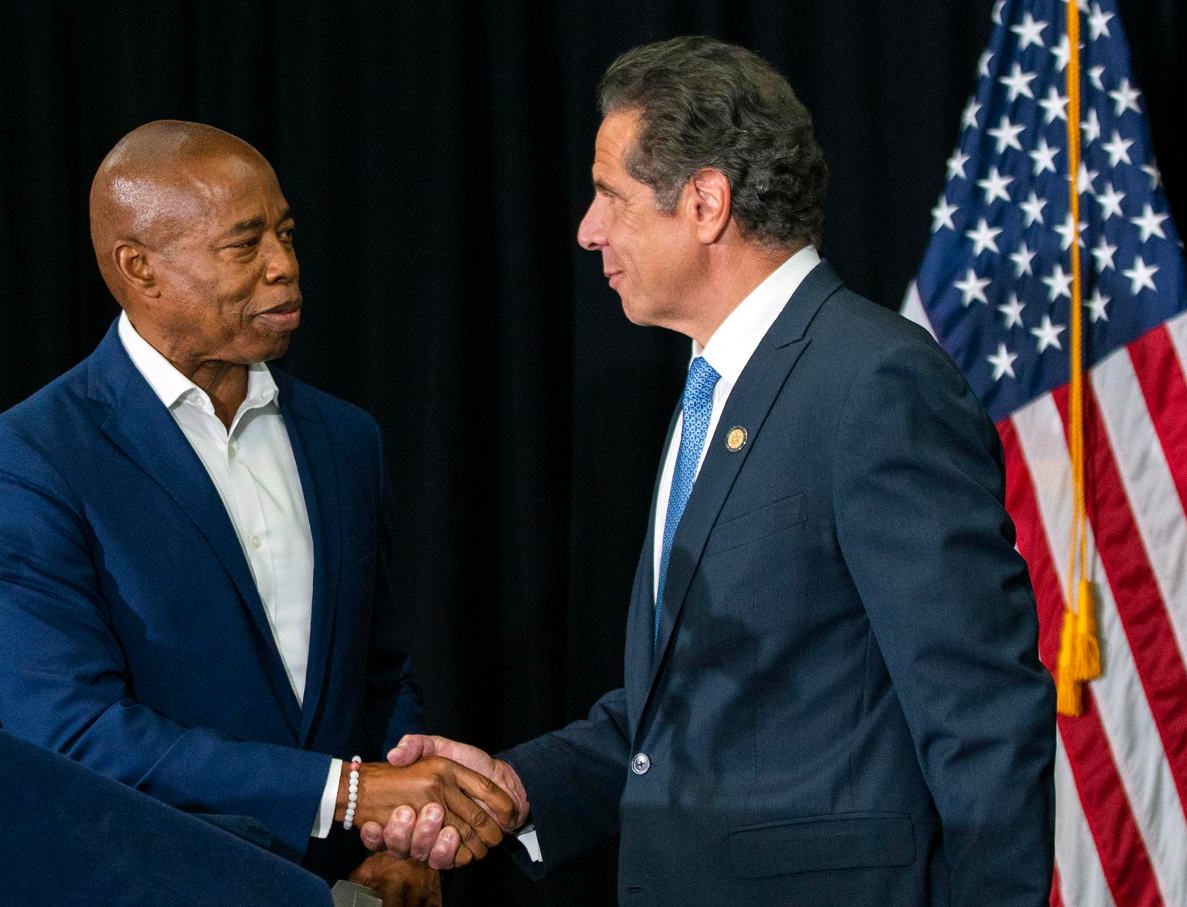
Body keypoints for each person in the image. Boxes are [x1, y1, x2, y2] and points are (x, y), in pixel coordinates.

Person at [367, 37, 1056, 904]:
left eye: (611, 196)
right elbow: (688, 709)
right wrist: (510, 788)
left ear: (704, 202)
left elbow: (980, 715)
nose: (588, 228)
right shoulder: (717, 386)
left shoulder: (873, 381)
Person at [0, 120, 512, 904]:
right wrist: (348, 792)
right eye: (245, 246)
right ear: (140, 269)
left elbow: (378, 678)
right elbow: (74, 733)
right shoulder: (28, 462)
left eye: (286, 233)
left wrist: (402, 833)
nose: (286, 266)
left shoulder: (347, 440)